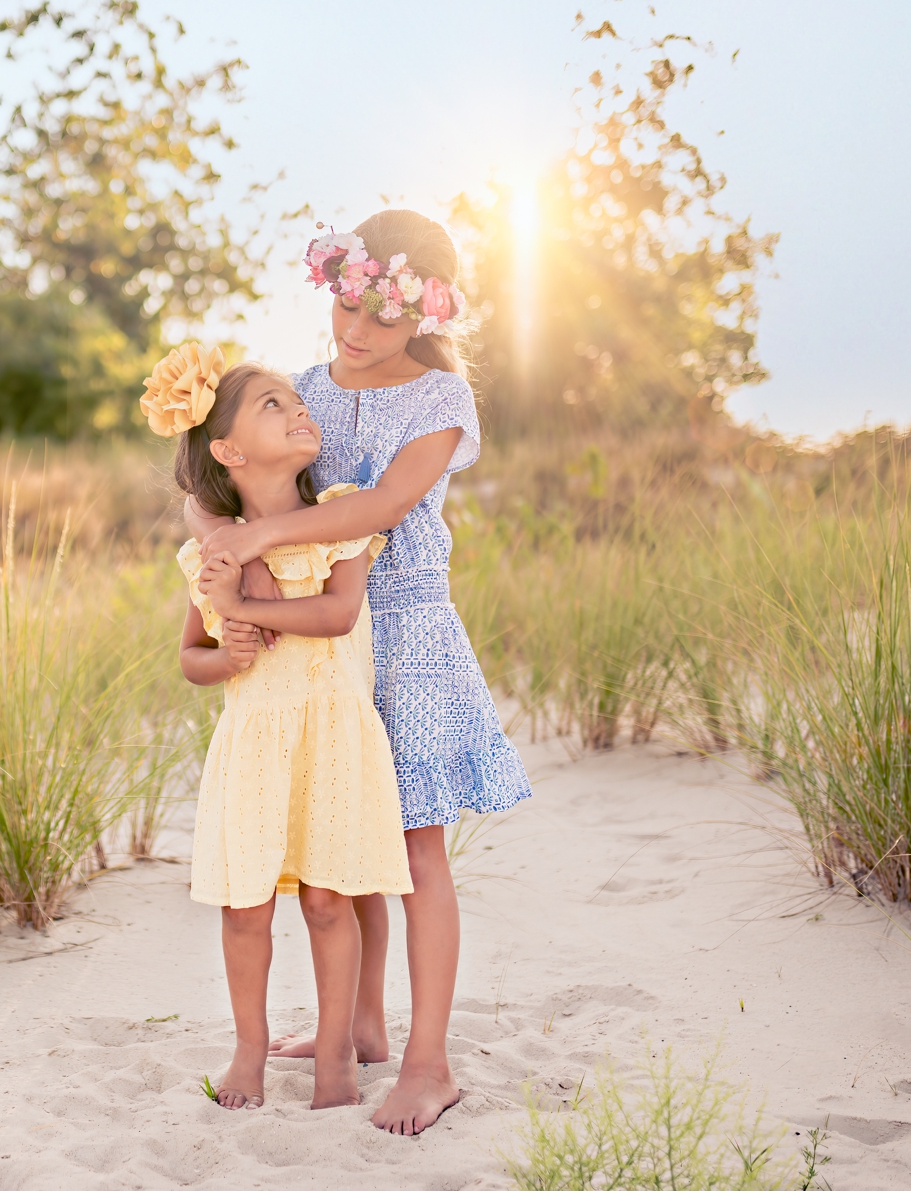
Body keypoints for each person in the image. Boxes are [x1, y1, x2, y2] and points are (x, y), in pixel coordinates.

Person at [186, 209, 533, 1136]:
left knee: (415, 846)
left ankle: (430, 1060)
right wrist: (222, 543)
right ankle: (365, 1025)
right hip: (315, 646)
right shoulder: (298, 390)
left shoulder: (439, 402)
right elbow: (209, 483)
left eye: (385, 315)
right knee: (348, 842)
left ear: (425, 314)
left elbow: (379, 504)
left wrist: (260, 535)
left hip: (406, 629)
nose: (359, 330)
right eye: (348, 304)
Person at [146, 344, 412, 1115]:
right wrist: (224, 650)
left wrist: (248, 610)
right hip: (257, 743)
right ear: (227, 450)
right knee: (246, 906)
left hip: (332, 737)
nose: (299, 408)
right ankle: (249, 1045)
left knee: (329, 900)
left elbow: (336, 615)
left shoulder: (337, 515)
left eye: (297, 399)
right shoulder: (212, 552)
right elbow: (191, 657)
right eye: (273, 403)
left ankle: (335, 1050)